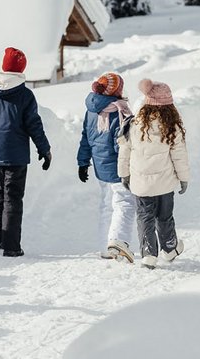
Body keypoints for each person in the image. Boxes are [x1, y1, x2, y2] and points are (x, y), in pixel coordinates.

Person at [0, 47, 52, 257]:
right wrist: (44, 149)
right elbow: (34, 125)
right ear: (21, 69)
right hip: (16, 155)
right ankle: (11, 246)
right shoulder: (25, 95)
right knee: (13, 197)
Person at [119, 79, 189, 268]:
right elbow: (179, 155)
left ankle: (149, 253)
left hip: (141, 183)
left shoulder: (133, 124)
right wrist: (184, 179)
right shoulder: (172, 126)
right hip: (165, 183)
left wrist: (124, 174)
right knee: (165, 216)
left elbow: (124, 151)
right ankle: (169, 248)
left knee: (145, 217)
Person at [78, 72, 136, 262]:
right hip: (117, 167)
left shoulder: (91, 110)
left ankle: (104, 247)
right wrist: (129, 167)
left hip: (100, 167)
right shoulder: (119, 111)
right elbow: (120, 143)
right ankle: (118, 242)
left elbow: (86, 138)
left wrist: (83, 162)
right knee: (125, 203)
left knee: (106, 205)